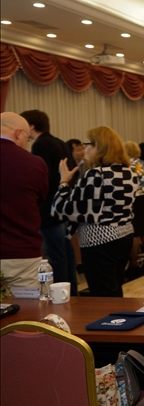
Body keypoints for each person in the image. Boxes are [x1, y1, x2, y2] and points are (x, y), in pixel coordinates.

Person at [53, 126, 139, 297]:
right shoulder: (129, 172)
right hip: (124, 235)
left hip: (100, 239)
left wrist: (63, 182)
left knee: (102, 292)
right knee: (115, 286)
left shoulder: (96, 174)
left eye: (87, 145)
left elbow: (63, 209)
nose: (85, 150)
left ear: (99, 146)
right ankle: (118, 314)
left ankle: (111, 315)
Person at [20, 109, 79, 295]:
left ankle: (60, 293)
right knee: (66, 253)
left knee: (55, 256)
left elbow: (42, 178)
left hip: (48, 208)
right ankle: (72, 291)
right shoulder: (60, 142)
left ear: (31, 126)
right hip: (62, 205)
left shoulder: (41, 145)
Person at [0, 112, 49, 288]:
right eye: (27, 139)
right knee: (28, 304)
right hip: (22, 252)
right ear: (18, 133)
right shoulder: (34, 163)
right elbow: (40, 201)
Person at [124, 141, 144, 278]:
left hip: (136, 197)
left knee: (135, 232)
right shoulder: (141, 163)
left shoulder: (128, 164)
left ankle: (133, 263)